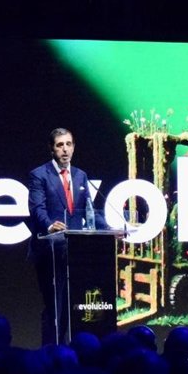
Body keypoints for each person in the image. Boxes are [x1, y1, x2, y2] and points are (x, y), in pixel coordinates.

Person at [28, 128, 107, 345]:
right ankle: (50, 351)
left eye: (68, 144)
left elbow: (90, 210)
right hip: (50, 251)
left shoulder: (80, 175)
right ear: (51, 149)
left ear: (73, 147)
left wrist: (109, 229)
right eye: (59, 145)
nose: (65, 149)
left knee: (72, 306)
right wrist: (49, 225)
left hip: (74, 252)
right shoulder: (39, 175)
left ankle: (69, 350)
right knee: (54, 306)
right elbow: (37, 208)